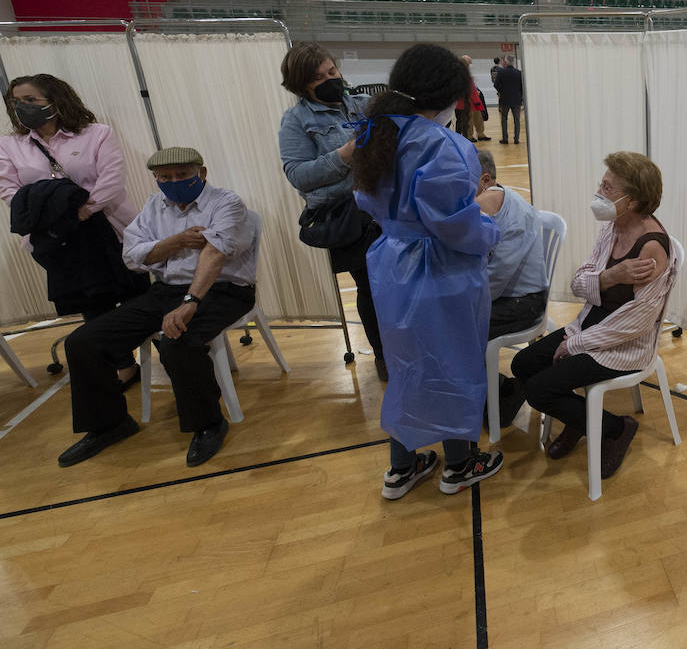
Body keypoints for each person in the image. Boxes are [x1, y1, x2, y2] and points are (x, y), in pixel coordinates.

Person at [350, 44, 504, 499]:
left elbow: (365, 199)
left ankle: (402, 467)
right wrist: (489, 222)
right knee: (454, 364)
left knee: (406, 364)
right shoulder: (446, 145)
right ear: (450, 94)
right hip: (440, 269)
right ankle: (459, 464)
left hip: (390, 262)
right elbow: (454, 225)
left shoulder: (372, 132)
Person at [56, 146, 258, 468]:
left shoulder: (226, 202)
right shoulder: (154, 206)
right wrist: (175, 242)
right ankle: (110, 424)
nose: (173, 182)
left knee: (177, 341)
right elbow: (133, 256)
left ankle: (208, 423)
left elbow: (214, 254)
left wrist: (191, 300)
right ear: (156, 178)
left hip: (224, 290)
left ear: (201, 173)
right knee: (82, 342)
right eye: (165, 177)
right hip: (165, 290)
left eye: (182, 175)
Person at [507, 151, 677, 481]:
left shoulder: (652, 247)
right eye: (602, 183)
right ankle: (581, 419)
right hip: (592, 323)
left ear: (633, 200)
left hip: (625, 343)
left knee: (539, 390)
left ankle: (616, 429)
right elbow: (579, 284)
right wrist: (612, 276)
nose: (599, 192)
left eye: (608, 187)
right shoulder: (613, 228)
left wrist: (576, 343)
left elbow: (637, 322)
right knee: (522, 365)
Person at [1, 74, 147, 387]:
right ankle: (123, 365)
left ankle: (170, 357)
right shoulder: (10, 145)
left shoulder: (96, 134)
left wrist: (82, 210)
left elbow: (111, 180)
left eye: (30, 100)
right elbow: (10, 190)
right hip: (61, 240)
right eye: (16, 102)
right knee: (94, 306)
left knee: (137, 294)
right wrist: (56, 217)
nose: (22, 107)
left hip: (110, 227)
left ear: (55, 99)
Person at [277, 42, 387, 381]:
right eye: (318, 77)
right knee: (371, 288)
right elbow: (299, 176)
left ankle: (410, 346)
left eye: (332, 71)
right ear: (301, 85)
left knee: (400, 284)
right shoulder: (295, 121)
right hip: (349, 219)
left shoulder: (363, 106)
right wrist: (345, 154)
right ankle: (385, 357)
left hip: (384, 208)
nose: (330, 79)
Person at [474, 149, 550, 427]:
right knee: (451, 322)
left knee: (458, 328)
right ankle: (497, 388)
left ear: (485, 180)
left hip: (523, 303)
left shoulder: (511, 215)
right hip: (507, 295)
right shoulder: (492, 207)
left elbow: (492, 283)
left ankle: (502, 393)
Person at [494, 56, 525, 145]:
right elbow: (522, 86)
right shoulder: (519, 73)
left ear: (505, 62)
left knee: (504, 119)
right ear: (514, 62)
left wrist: (501, 91)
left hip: (504, 99)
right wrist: (520, 96)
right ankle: (516, 139)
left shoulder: (501, 72)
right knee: (517, 120)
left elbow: (496, 85)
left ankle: (505, 138)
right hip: (516, 100)